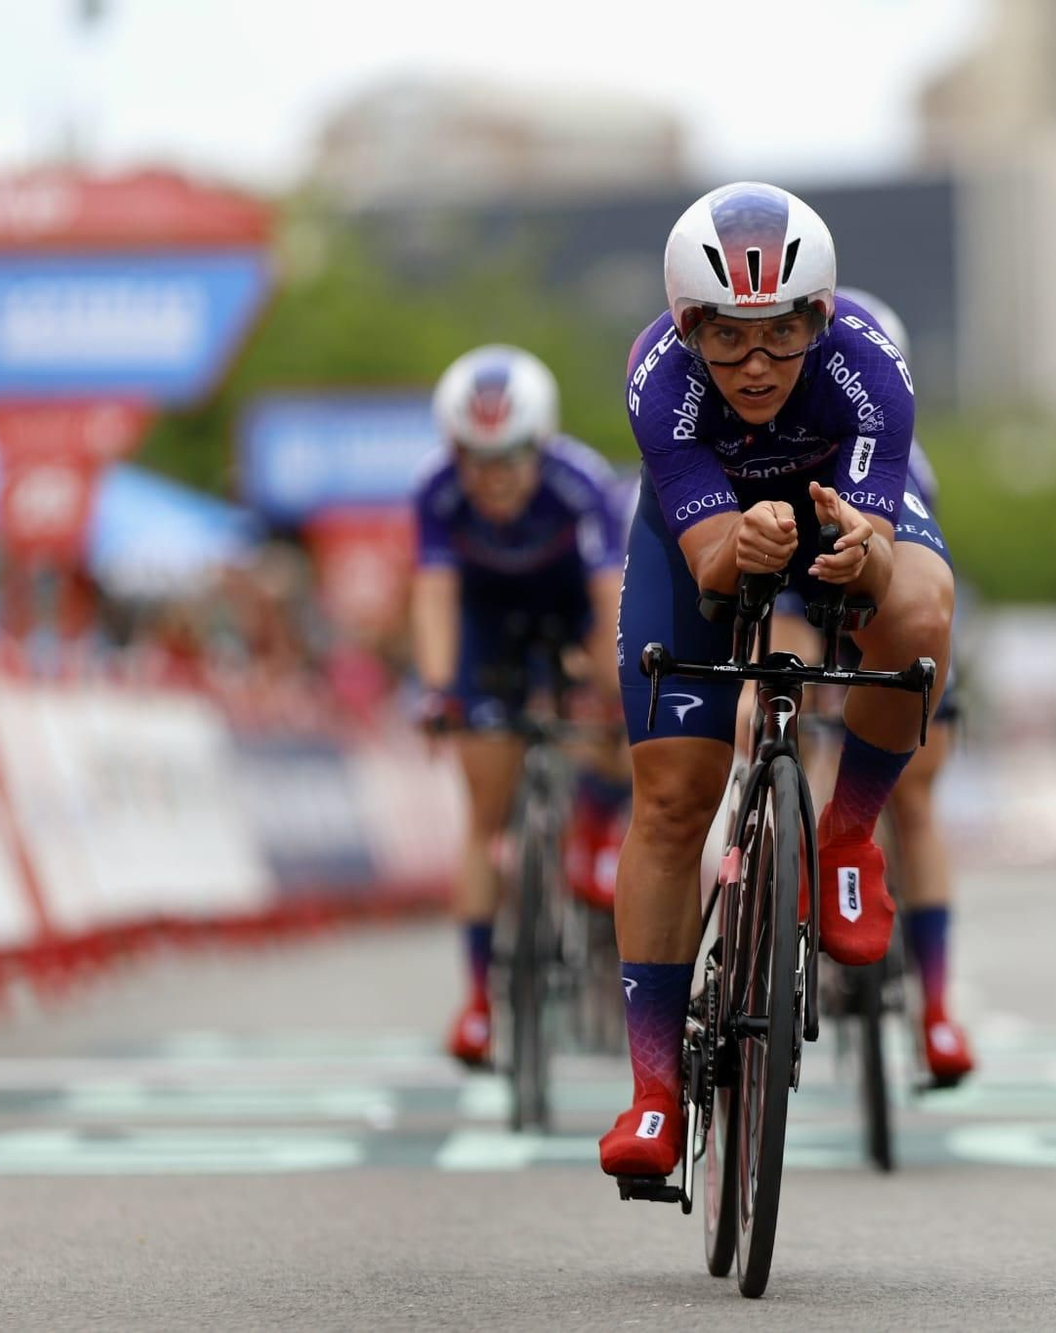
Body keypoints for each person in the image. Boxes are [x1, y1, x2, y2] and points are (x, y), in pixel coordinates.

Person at [599, 184, 958, 1179]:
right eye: (727, 339)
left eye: (782, 334)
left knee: (922, 614)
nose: (756, 365)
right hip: (702, 544)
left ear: (819, 313)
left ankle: (843, 833)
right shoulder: (656, 376)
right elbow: (712, 562)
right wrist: (741, 547)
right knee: (672, 801)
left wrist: (861, 562)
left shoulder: (868, 368)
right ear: (687, 327)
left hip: (837, 522)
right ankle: (654, 1093)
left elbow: (882, 552)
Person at [766, 286, 976, 1090]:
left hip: (885, 591)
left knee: (915, 800)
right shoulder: (770, 445)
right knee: (787, 703)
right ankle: (787, 850)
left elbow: (915, 584)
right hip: (801, 592)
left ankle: (938, 1009)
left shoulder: (905, 455)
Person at [410, 345, 626, 1069]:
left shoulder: (582, 484)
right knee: (484, 815)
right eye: (475, 459)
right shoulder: (434, 492)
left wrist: (617, 689)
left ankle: (597, 821)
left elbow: (609, 604)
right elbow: (435, 594)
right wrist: (440, 687)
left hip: (570, 609)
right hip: (488, 627)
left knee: (627, 707)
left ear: (541, 444)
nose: (492, 478)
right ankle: (477, 999)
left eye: (508, 459)